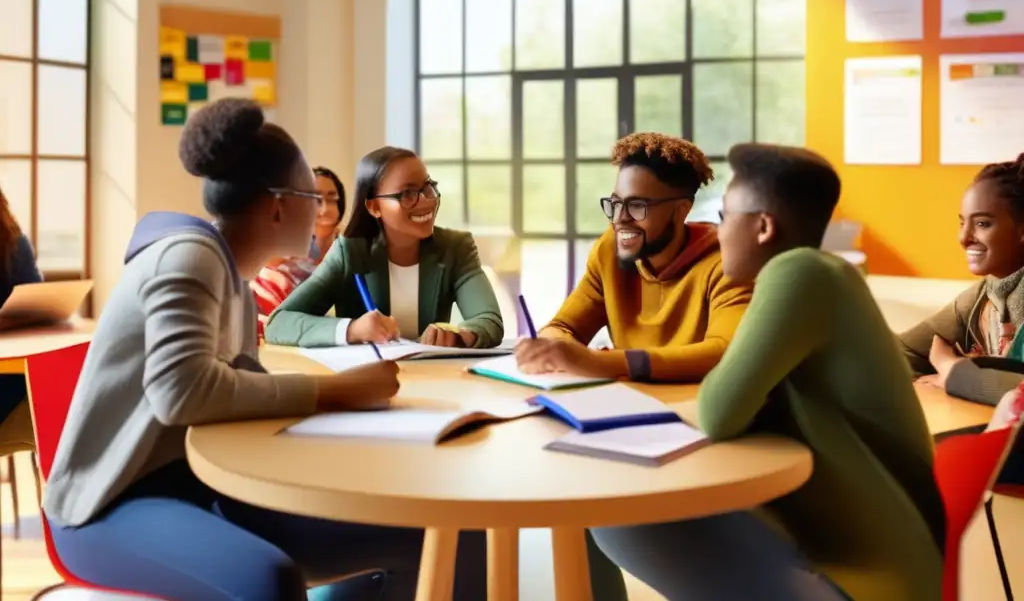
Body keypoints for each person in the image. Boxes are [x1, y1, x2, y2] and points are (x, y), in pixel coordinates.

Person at [42, 100, 486, 601]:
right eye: (311, 198)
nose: (322, 212)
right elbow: (180, 392)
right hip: (110, 503)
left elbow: (239, 387)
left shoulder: (231, 273)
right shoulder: (188, 258)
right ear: (279, 206)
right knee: (267, 580)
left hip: (203, 482)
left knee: (445, 534)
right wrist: (332, 393)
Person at [589, 143, 944, 601]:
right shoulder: (828, 275)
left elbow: (720, 410)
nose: (716, 234)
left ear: (762, 226)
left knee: (621, 520)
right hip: (863, 546)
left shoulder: (796, 274)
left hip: (868, 576)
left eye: (725, 217)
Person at [515, 132, 753, 382]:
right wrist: (555, 348)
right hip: (625, 402)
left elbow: (726, 352)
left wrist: (599, 362)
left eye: (637, 206)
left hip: (693, 412)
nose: (619, 218)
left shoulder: (727, 263)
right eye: (616, 204)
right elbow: (563, 327)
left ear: (682, 210)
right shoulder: (608, 251)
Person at [265, 146, 503, 349]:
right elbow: (278, 323)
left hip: (436, 378)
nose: (426, 200)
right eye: (408, 194)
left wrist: (460, 335)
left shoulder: (456, 248)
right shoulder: (349, 252)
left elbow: (489, 320)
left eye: (428, 187)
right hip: (369, 379)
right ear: (373, 207)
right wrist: (351, 329)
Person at [900, 154, 1024, 405]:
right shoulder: (981, 298)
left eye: (982, 223)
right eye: (962, 223)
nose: (964, 237)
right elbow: (898, 352)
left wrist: (950, 370)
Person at [251, 166, 347, 337]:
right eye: (316, 200)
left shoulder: (348, 249)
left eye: (332, 199)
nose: (324, 210)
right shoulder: (278, 258)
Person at [0, 187, 43, 441]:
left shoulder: (14, 243)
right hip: (19, 384)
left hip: (14, 380)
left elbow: (35, 299)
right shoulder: (15, 241)